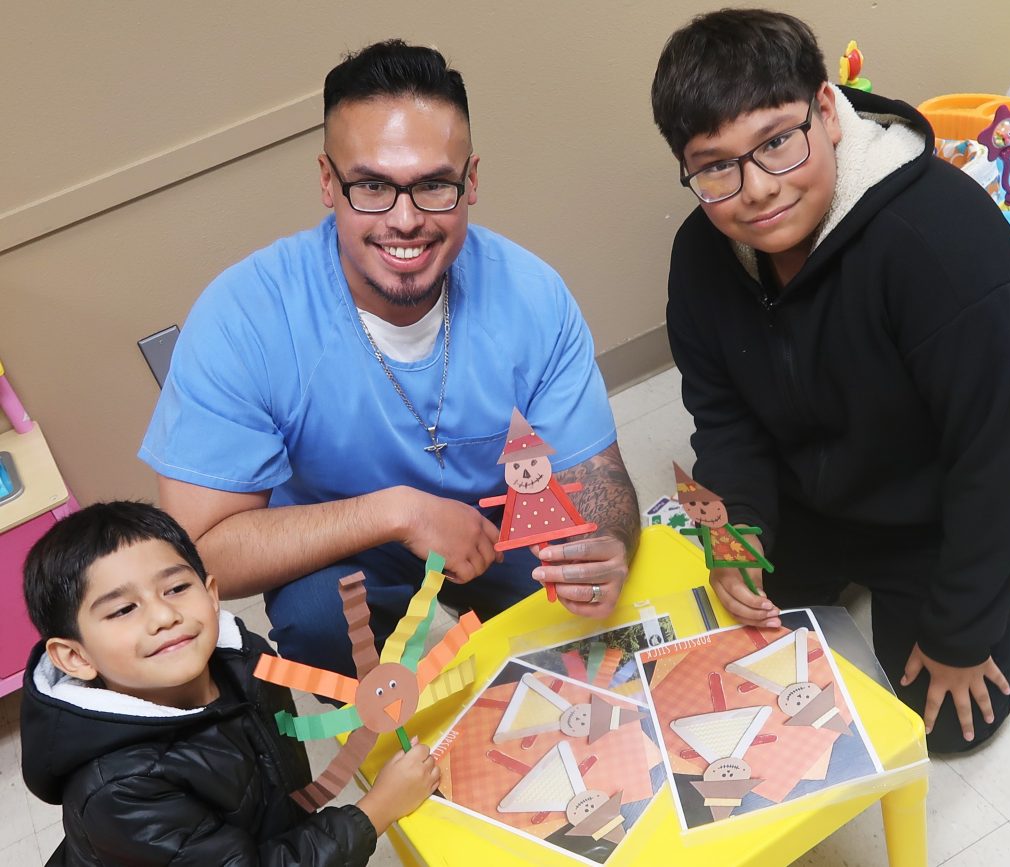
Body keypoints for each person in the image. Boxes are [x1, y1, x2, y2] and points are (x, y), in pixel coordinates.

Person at [139, 39, 639, 680]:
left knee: (603, 634)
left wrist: (603, 544)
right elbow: (199, 553)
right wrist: (398, 511)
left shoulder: (531, 293)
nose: (404, 221)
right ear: (328, 181)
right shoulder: (244, 317)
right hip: (356, 553)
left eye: (433, 185)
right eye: (372, 185)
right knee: (318, 614)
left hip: (503, 534)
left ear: (472, 181)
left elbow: (600, 479)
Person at [651, 9, 1010, 752]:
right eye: (716, 166)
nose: (755, 188)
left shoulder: (940, 242)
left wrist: (961, 627)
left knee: (948, 722)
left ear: (827, 110)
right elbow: (723, 416)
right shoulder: (700, 256)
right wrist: (744, 532)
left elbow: (999, 450)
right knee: (704, 638)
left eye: (777, 142)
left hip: (936, 508)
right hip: (814, 492)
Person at [20, 501, 439, 866]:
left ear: (212, 594)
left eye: (177, 587)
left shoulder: (245, 658)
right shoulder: (119, 791)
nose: (164, 616)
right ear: (75, 657)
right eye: (124, 609)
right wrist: (375, 810)